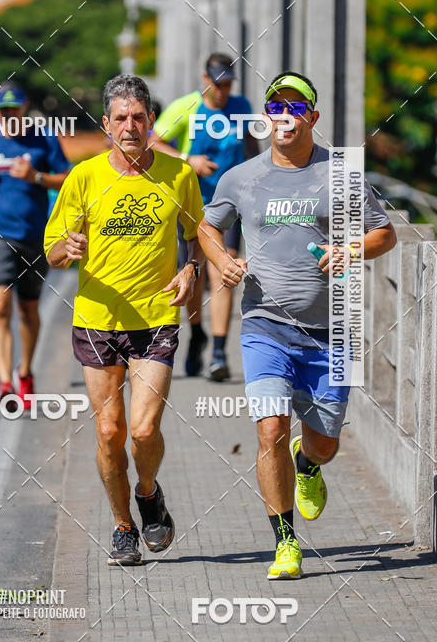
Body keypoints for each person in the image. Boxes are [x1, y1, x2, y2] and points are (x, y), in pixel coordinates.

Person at [198, 71, 397, 579]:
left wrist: (349, 249)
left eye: (294, 106)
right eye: (275, 106)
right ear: (266, 117)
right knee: (269, 430)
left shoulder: (342, 174)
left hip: (335, 325)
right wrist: (220, 259)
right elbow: (207, 225)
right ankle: (286, 544)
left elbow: (384, 234)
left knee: (325, 442)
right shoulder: (241, 177)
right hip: (265, 325)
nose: (284, 115)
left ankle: (307, 464)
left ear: (312, 116)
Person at [44, 74, 205, 567]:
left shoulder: (179, 176)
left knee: (141, 429)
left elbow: (200, 233)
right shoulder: (84, 177)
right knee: (109, 432)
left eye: (139, 117)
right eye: (121, 118)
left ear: (151, 120)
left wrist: (192, 268)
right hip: (96, 320)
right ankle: (121, 526)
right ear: (107, 124)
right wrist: (65, 249)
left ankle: (149, 493)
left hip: (155, 319)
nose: (130, 126)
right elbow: (51, 252)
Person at [150, 52, 257, 380]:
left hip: (232, 205)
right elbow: (153, 142)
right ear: (205, 79)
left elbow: (251, 144)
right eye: (218, 83)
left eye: (228, 84)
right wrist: (187, 159)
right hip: (193, 206)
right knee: (193, 274)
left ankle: (220, 352)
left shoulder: (241, 107)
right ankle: (197, 333)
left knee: (224, 270)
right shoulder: (186, 107)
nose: (223, 90)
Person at [0, 82, 69, 407]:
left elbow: (67, 178)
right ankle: (4, 384)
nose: (9, 114)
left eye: (14, 108)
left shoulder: (43, 138)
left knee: (28, 310)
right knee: (0, 308)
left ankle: (25, 372)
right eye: (3, 110)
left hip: (34, 234)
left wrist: (36, 177)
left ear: (24, 108)